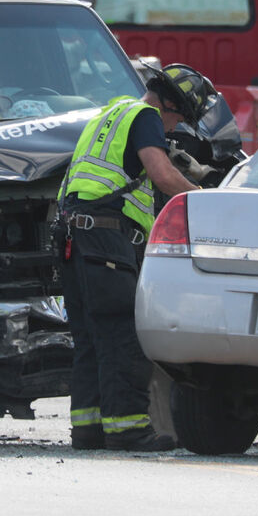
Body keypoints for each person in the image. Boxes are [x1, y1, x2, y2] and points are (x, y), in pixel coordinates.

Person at [55, 63, 213, 452]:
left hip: (71, 237)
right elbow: (161, 175)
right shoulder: (145, 117)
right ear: (170, 105)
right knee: (122, 336)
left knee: (89, 339)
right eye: (178, 120)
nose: (174, 131)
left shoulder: (110, 112)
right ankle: (128, 429)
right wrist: (203, 199)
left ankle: (88, 430)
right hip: (105, 239)